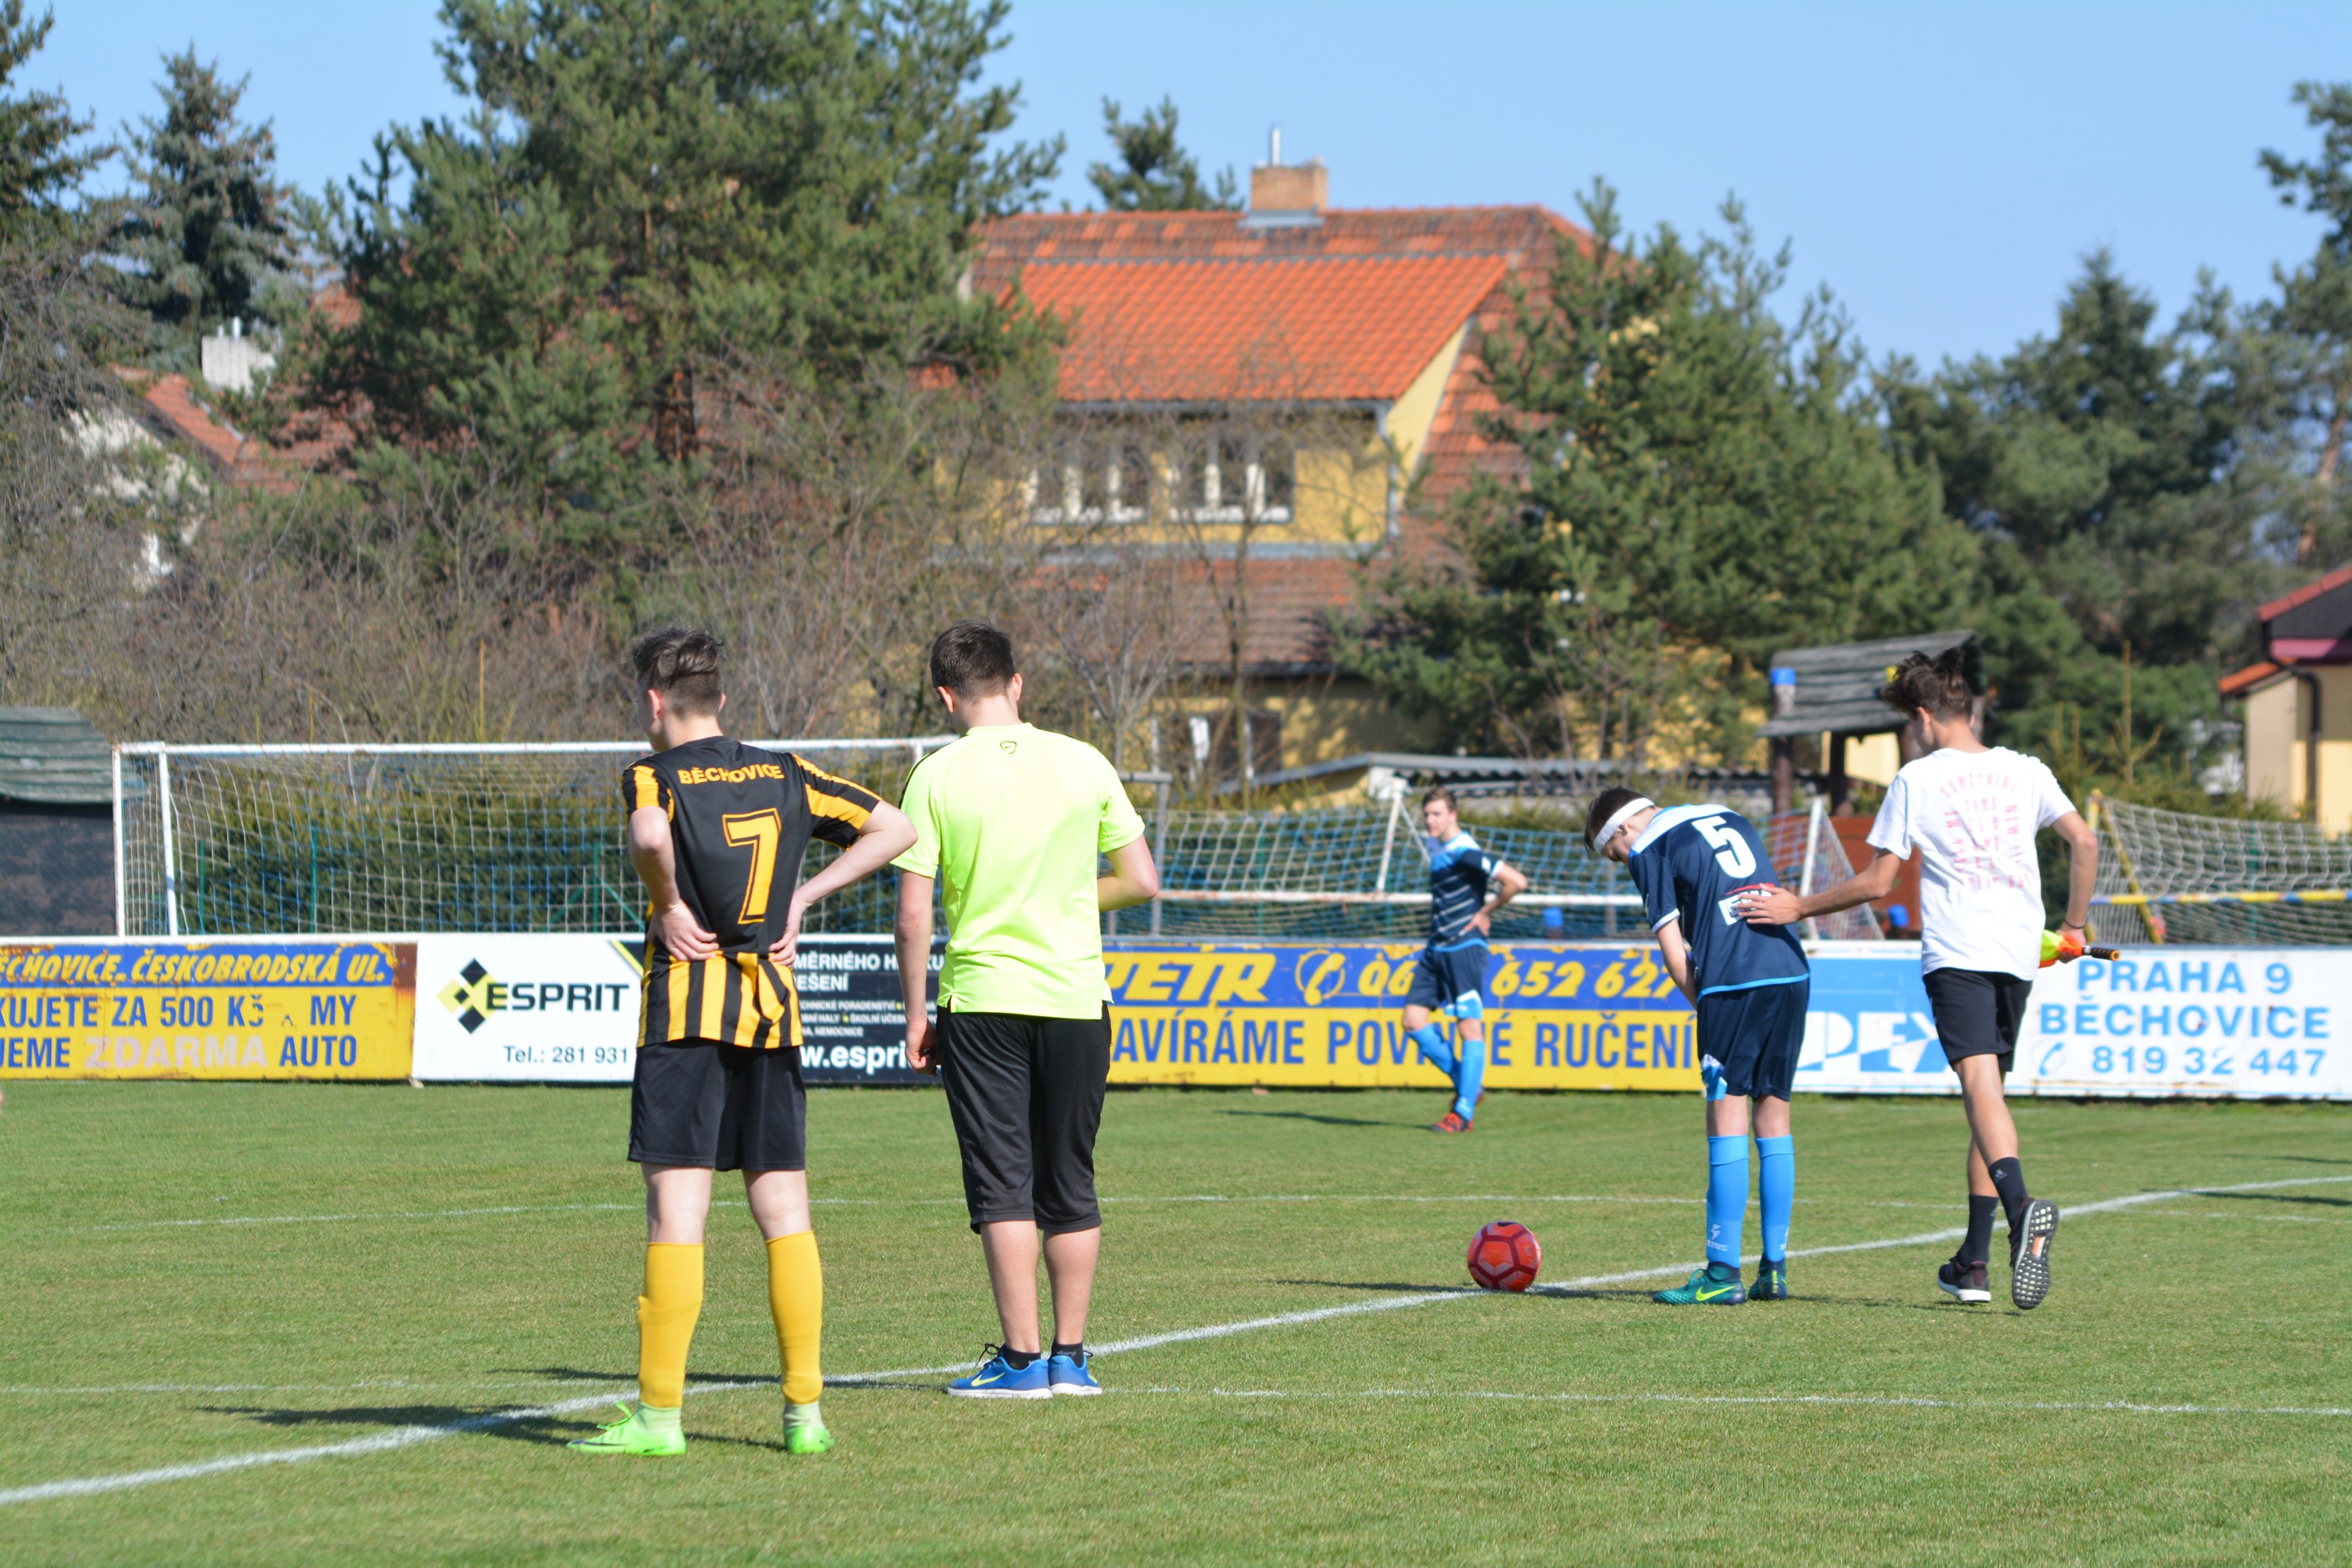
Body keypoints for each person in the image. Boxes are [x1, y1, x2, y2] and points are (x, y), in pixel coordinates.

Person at [572, 627, 914, 1458]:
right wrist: (803, 896)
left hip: (687, 1014)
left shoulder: (652, 774)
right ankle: (805, 1415)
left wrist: (667, 904)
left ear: (654, 703)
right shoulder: (788, 772)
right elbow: (895, 828)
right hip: (771, 1012)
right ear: (720, 700)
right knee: (786, 1213)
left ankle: (660, 1419)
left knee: (677, 1214)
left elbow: (650, 837)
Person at [1736, 648, 2096, 1311]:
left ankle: (2021, 1212)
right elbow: (2085, 842)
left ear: (1925, 717)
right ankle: (1974, 1263)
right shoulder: (2028, 769)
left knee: (1980, 1089)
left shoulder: (1917, 778)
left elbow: (1879, 881)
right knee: (1988, 1101)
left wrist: (1798, 907)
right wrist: (2073, 928)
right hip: (2019, 952)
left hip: (1959, 950)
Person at [892, 622, 1160, 1399]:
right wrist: (1066, 897)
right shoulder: (1085, 760)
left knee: (1003, 1181)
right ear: (1016, 682)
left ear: (946, 696)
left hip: (982, 1001)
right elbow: (1141, 879)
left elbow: (912, 915)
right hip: (1076, 998)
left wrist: (916, 1015)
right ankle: (1071, 1359)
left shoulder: (934, 776)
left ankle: (1020, 1361)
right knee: (1070, 1177)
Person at [1588, 788, 1807, 1305]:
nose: (1624, 862)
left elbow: (1673, 951)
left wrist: (1705, 1005)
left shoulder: (1650, 847)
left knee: (1726, 1113)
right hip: (1791, 970)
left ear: (1623, 830)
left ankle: (1722, 1272)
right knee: (1774, 1116)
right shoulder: (1728, 813)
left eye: (1615, 855)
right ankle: (1774, 1270)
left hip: (1733, 981)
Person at [1403, 788, 1528, 1133]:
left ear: (1453, 815)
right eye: (1427, 814)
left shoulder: (1464, 851)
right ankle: (1469, 1086)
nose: (1430, 821)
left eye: (1437, 814)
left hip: (1464, 948)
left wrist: (1486, 911)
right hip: (1436, 948)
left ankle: (1463, 1112)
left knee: (1468, 1027)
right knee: (1413, 1021)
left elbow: (1516, 881)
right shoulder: (1436, 846)